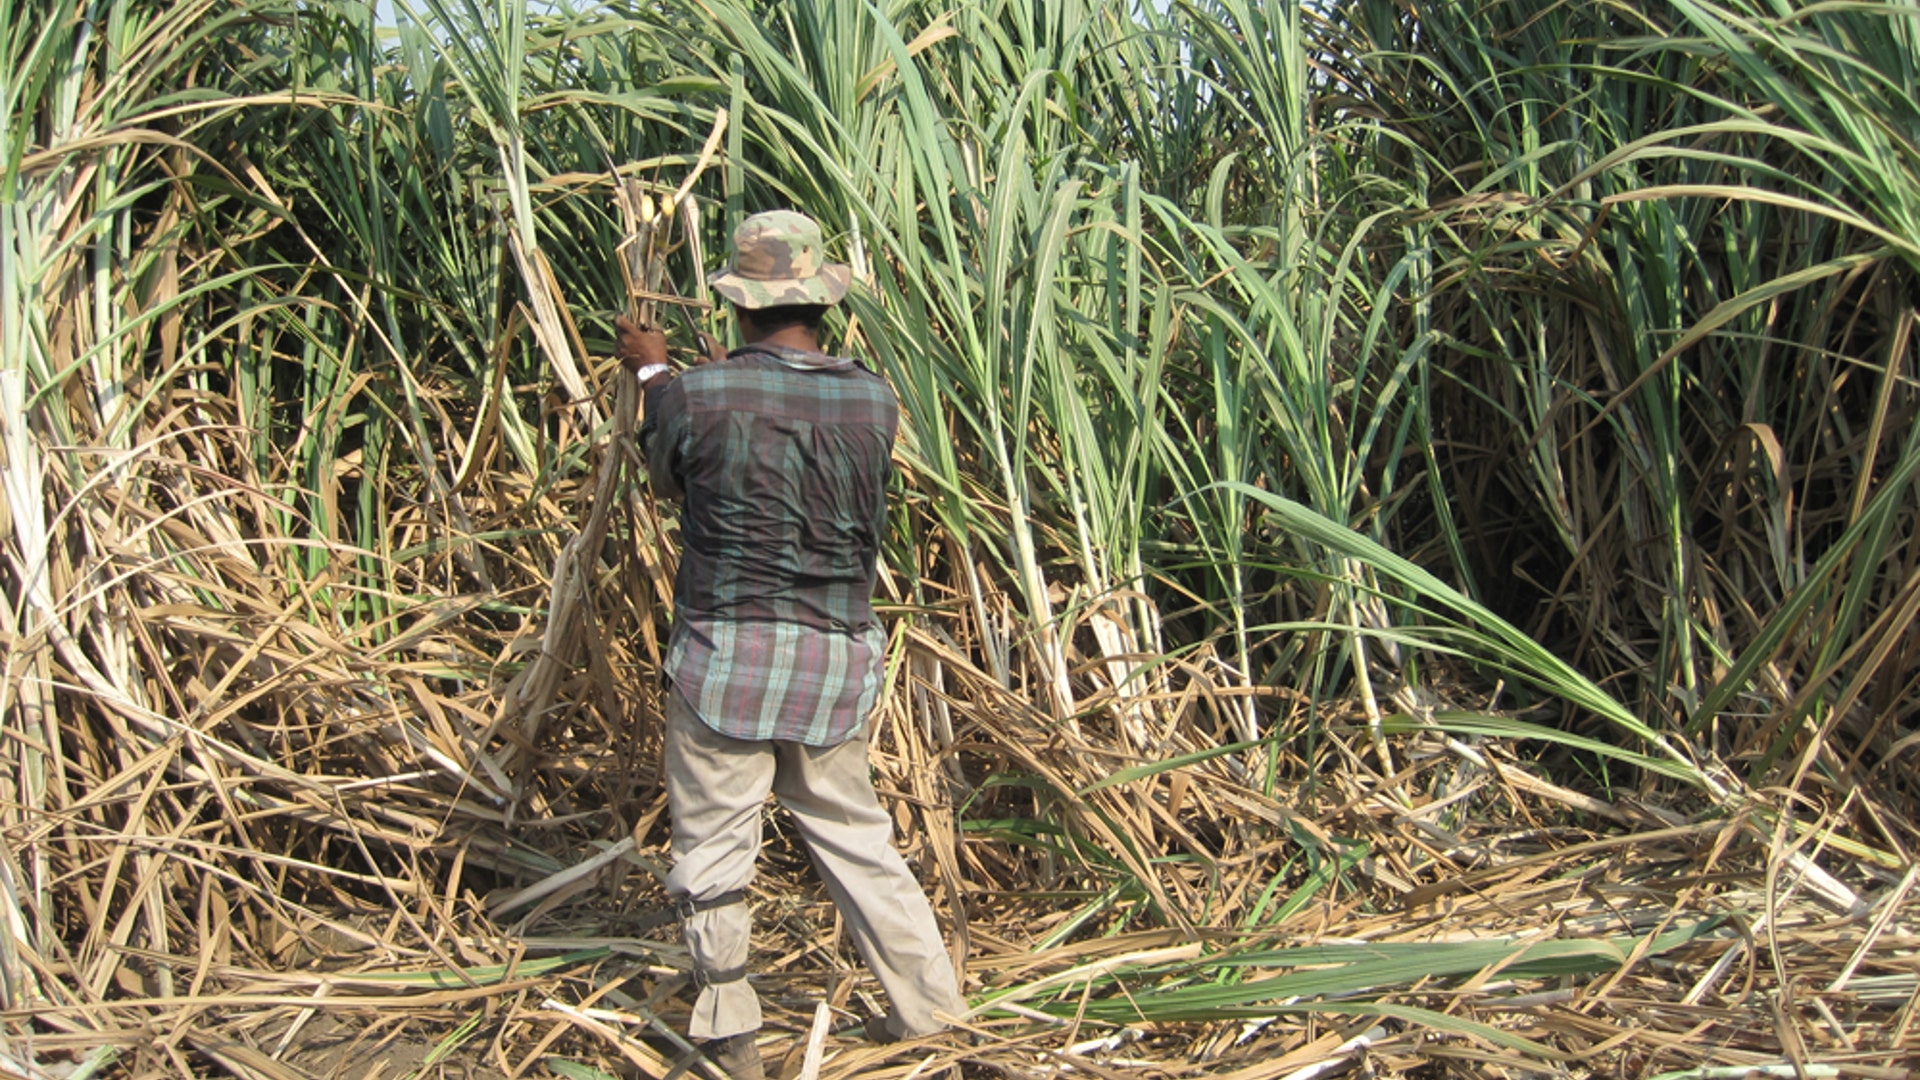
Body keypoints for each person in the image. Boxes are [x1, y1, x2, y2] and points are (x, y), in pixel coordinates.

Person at [613, 210, 965, 1080]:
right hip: (833, 659)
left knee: (715, 849)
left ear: (740, 307)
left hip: (725, 659)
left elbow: (664, 474)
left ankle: (733, 1039)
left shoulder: (697, 391)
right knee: (857, 839)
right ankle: (935, 1013)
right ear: (820, 304)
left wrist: (653, 369)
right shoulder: (874, 399)